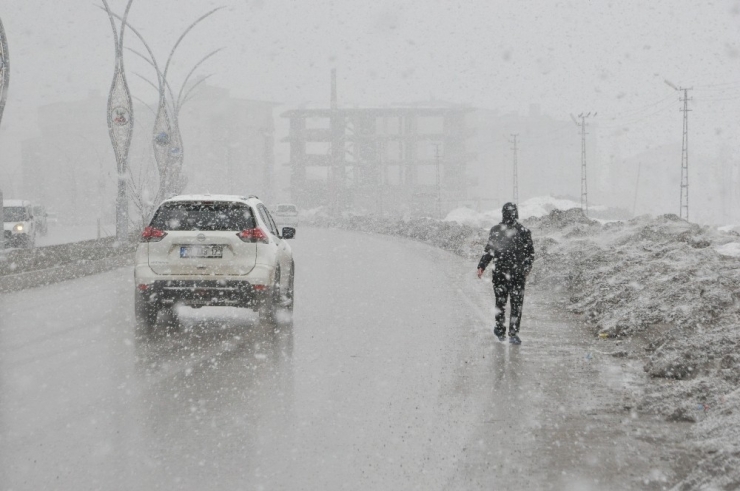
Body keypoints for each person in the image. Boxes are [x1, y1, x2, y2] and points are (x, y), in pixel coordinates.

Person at [477, 202, 535, 345]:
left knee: (501, 302)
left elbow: (489, 250)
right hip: (514, 274)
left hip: (504, 273)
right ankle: (511, 332)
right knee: (515, 304)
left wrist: (482, 265)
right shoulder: (522, 230)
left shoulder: (500, 230)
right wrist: (526, 268)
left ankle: (502, 330)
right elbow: (530, 254)